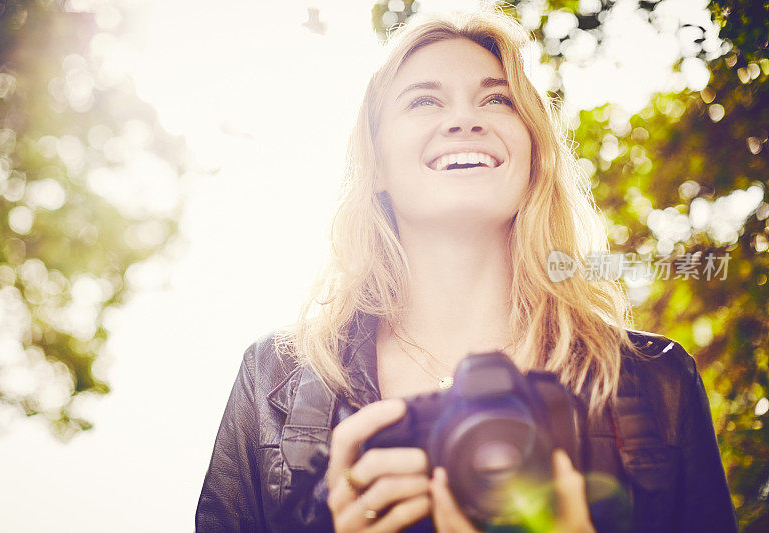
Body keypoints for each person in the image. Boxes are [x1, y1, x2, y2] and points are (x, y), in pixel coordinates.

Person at [195, 8, 738, 533]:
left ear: (533, 155)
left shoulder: (652, 380)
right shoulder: (276, 382)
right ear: (376, 163)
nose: (463, 119)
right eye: (424, 101)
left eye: (496, 99)